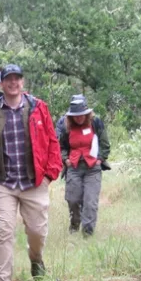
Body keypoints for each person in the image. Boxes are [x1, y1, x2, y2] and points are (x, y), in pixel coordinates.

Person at [0, 64, 62, 281]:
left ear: (22, 82)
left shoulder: (38, 107)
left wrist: (50, 173)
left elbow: (52, 141)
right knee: (3, 233)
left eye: (17, 78)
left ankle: (36, 259)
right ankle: (2, 279)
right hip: (3, 183)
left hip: (34, 182)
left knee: (37, 232)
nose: (13, 83)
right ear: (1, 83)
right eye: (8, 79)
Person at [58, 95, 111, 237]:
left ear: (87, 113)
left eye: (81, 115)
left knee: (90, 202)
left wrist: (100, 158)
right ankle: (74, 224)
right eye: (76, 116)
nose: (79, 118)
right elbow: (61, 146)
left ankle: (88, 233)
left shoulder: (95, 122)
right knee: (73, 200)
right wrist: (65, 159)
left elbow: (105, 143)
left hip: (92, 168)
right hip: (74, 167)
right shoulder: (65, 125)